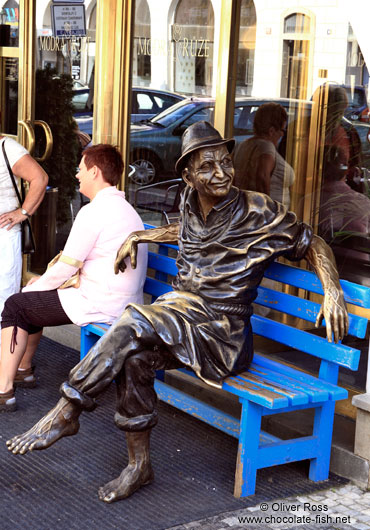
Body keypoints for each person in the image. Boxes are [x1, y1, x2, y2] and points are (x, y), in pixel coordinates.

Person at [6, 122, 348, 504]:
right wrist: (140, 235)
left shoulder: (258, 211)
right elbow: (186, 232)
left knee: (136, 318)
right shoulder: (189, 201)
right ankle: (139, 466)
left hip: (222, 334)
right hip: (184, 318)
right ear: (188, 175)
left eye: (224, 163)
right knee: (133, 357)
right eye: (206, 167)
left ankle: (66, 411)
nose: (219, 174)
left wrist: (332, 290)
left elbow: (312, 242)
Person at [0, 143, 147, 411]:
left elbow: (68, 265)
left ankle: (4, 390)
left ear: (95, 172)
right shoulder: (127, 209)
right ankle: (22, 370)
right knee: (33, 301)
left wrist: (36, 287)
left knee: (16, 304)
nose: (77, 175)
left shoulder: (95, 212)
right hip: (118, 301)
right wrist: (41, 286)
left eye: (80, 169)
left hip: (100, 303)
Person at [0, 136, 48, 347]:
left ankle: (5, 363)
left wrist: (24, 212)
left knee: (3, 299)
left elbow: (40, 178)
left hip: (4, 233)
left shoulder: (7, 147)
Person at [233, 102, 295, 209]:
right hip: (268, 216)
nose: (282, 134)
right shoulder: (266, 146)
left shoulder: (243, 144)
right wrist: (267, 210)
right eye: (282, 130)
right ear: (271, 131)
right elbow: (262, 176)